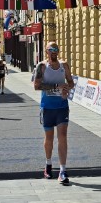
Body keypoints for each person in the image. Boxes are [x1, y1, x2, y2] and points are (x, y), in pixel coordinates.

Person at [34, 42, 74, 184]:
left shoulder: (64, 65)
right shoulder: (42, 66)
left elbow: (70, 81)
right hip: (47, 107)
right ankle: (48, 163)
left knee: (62, 136)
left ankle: (62, 170)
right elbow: (36, 86)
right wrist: (57, 86)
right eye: (51, 50)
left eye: (56, 49)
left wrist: (67, 88)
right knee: (49, 138)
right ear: (46, 51)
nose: (54, 52)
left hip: (62, 106)